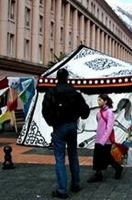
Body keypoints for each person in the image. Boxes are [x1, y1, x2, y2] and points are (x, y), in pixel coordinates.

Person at [42, 68, 90, 199]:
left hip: (59, 126)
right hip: (72, 125)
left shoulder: (52, 91)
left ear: (57, 78)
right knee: (73, 154)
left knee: (60, 158)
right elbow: (85, 111)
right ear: (67, 78)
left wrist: (52, 123)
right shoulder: (74, 92)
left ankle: (62, 190)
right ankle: (75, 183)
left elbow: (45, 110)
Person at [87, 94, 123, 182]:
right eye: (98, 100)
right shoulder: (99, 112)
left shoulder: (109, 112)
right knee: (98, 157)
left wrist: (103, 140)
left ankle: (118, 168)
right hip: (99, 139)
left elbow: (109, 128)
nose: (98, 102)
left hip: (105, 140)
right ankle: (98, 174)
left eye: (100, 100)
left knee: (107, 158)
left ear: (105, 101)